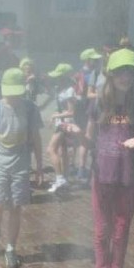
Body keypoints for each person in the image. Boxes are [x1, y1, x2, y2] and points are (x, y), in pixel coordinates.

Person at [81, 49, 134, 268]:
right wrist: (75, 135)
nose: (125, 77)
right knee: (102, 231)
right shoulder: (99, 103)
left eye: (130, 72)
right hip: (102, 175)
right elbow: (89, 139)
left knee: (121, 231)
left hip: (129, 176)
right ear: (110, 75)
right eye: (120, 72)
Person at [0, 68, 44, 268]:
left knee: (16, 206)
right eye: (9, 92)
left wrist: (40, 166)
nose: (13, 97)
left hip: (21, 163)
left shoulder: (31, 108)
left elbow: (35, 137)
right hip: (0, 161)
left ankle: (11, 248)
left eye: (17, 92)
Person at [46, 63, 80, 191]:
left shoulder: (69, 90)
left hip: (66, 123)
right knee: (62, 150)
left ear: (65, 77)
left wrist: (56, 116)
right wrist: (56, 116)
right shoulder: (60, 89)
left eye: (59, 76)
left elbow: (71, 111)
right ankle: (64, 179)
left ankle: (60, 178)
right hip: (61, 122)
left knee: (51, 149)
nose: (56, 79)